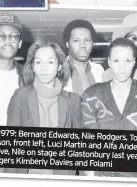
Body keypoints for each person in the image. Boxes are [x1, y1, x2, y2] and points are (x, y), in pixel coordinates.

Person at [82, 37, 137, 178]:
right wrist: (90, 174)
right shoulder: (92, 94)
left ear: (134, 62)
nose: (122, 68)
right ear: (109, 62)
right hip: (103, 174)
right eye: (116, 61)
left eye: (127, 61)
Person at [5, 42, 82, 175]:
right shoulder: (20, 96)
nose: (44, 68)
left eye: (51, 62)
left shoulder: (73, 100)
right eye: (38, 62)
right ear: (33, 67)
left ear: (59, 67)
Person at [63, 19, 104, 96]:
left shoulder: (100, 71)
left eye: (87, 40)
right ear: (67, 44)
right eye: (76, 40)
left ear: (93, 44)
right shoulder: (58, 72)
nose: (83, 45)